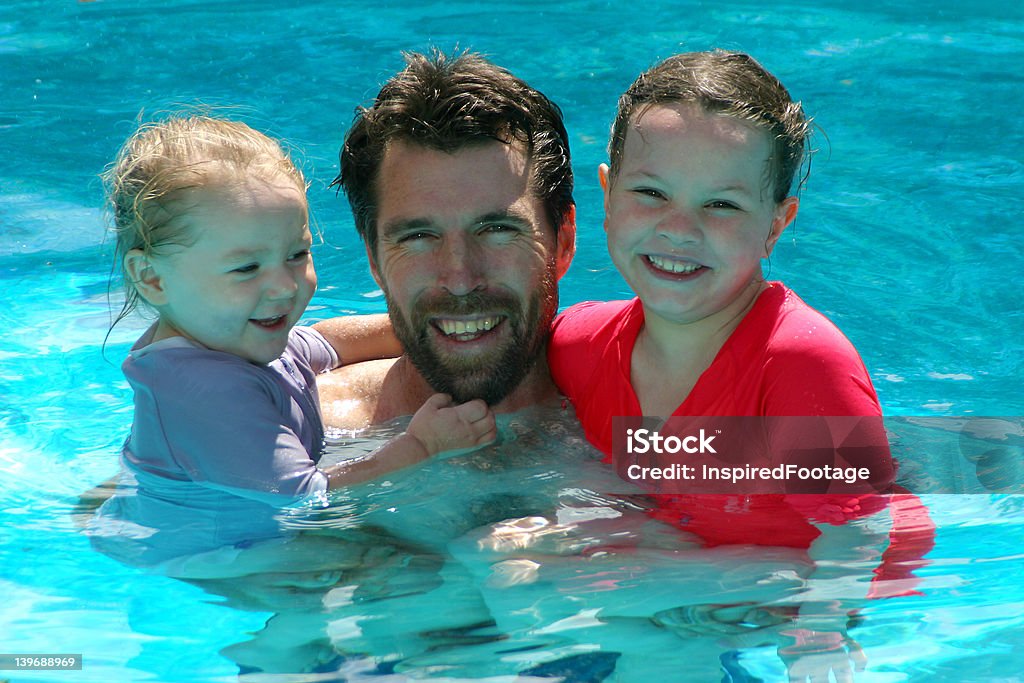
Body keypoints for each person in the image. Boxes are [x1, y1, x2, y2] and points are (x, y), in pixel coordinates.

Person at [91, 114, 496, 568]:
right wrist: (423, 447)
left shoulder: (231, 332)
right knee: (397, 569)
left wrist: (435, 325)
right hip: (210, 554)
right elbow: (305, 499)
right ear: (152, 278)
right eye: (246, 268)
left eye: (297, 254)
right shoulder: (206, 392)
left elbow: (326, 344)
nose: (284, 286)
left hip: (227, 522)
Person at [315, 48, 576, 428]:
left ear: (563, 241)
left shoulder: (657, 428)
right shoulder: (293, 435)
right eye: (419, 236)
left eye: (497, 230)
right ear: (373, 259)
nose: (460, 279)